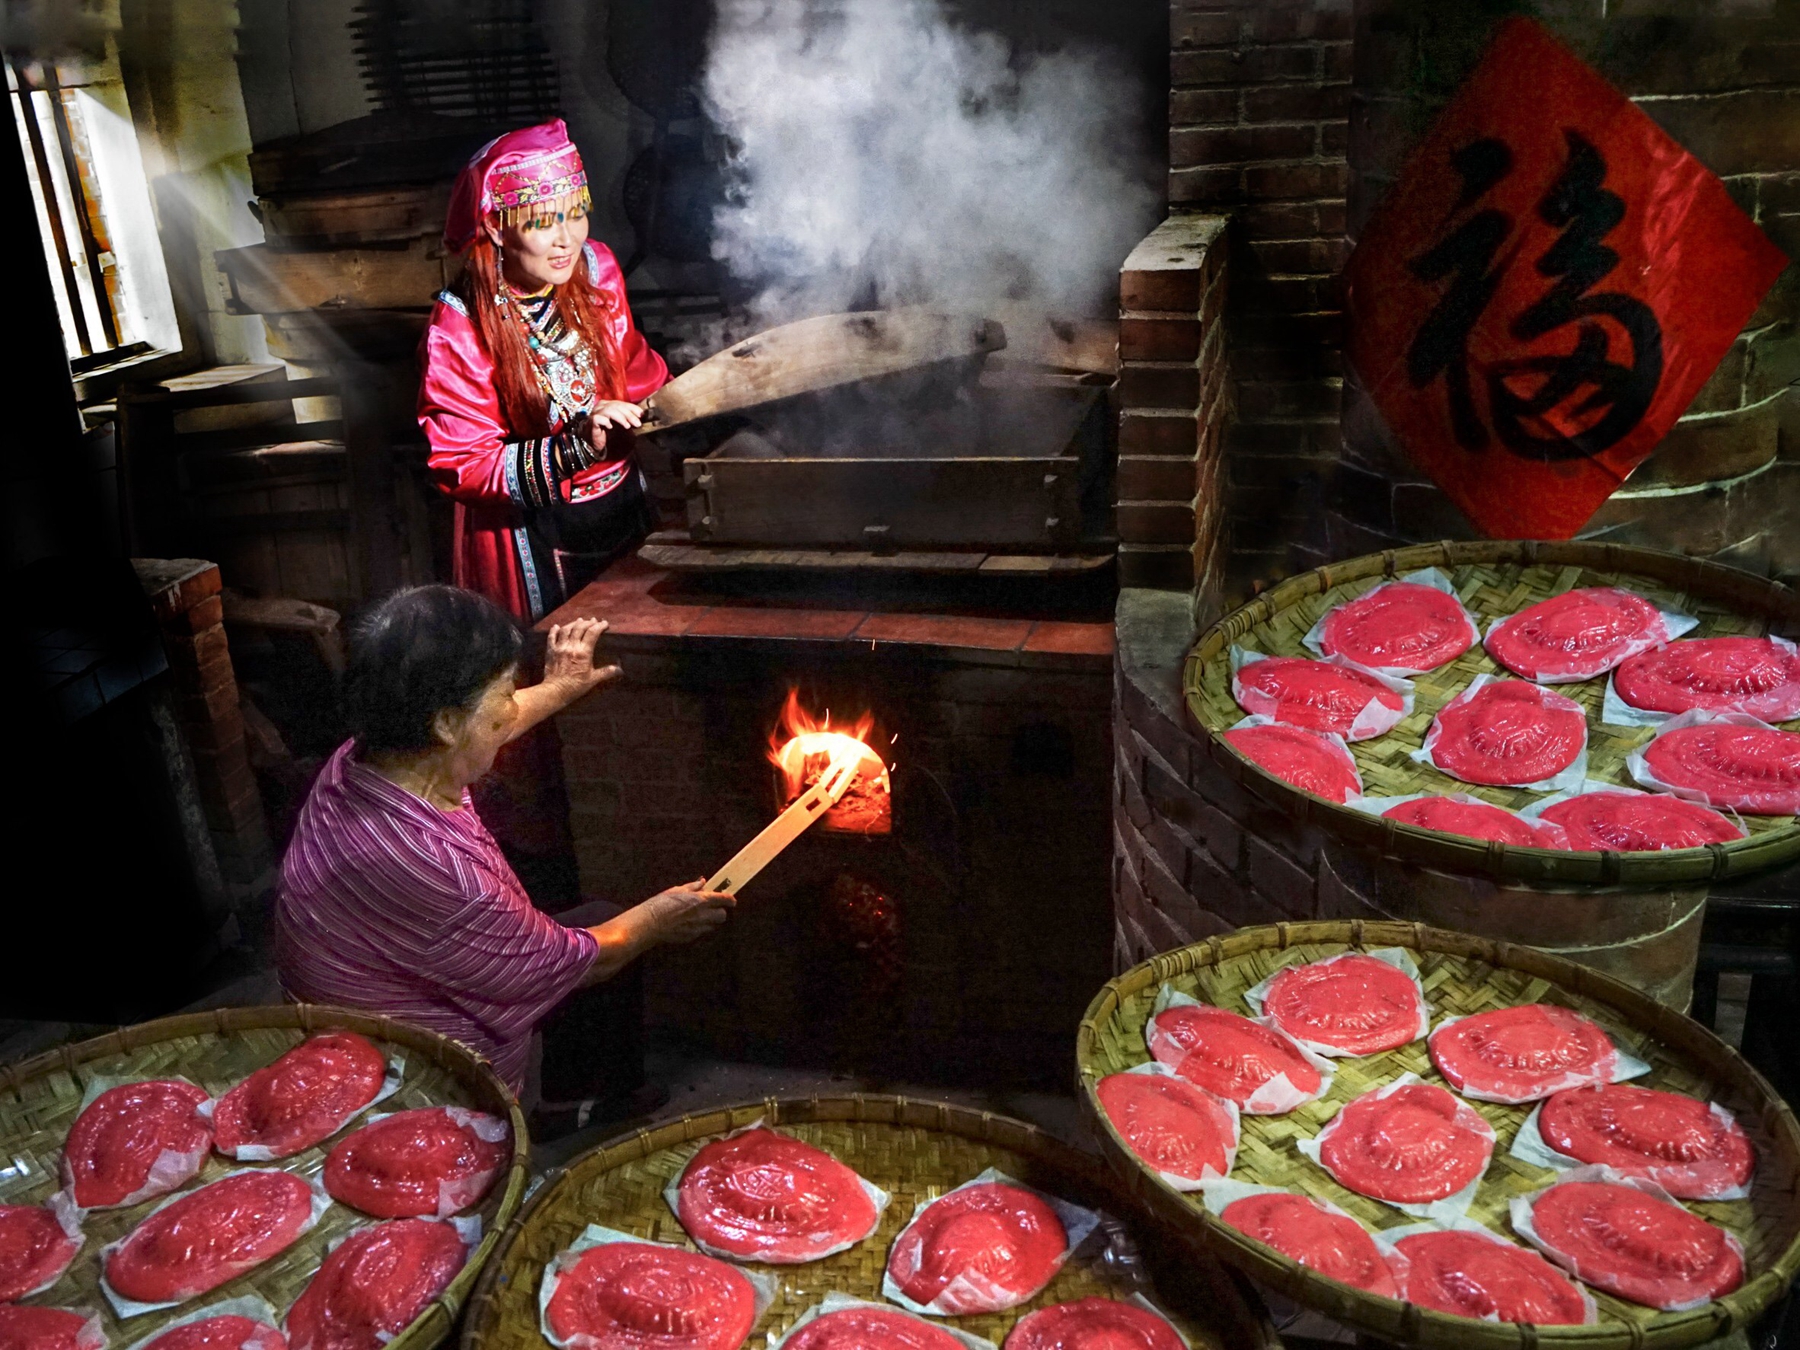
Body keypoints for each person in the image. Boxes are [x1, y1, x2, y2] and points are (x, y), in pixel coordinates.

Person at [415, 118, 671, 1108]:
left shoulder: (594, 276)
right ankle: (568, 884)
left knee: (629, 676)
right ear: (495, 232)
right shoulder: (459, 322)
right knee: (548, 713)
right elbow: (460, 463)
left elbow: (638, 374)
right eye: (539, 223)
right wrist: (568, 444)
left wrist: (665, 409)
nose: (561, 239)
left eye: (571, 214)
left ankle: (640, 828)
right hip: (532, 545)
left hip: (618, 518)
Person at [274, 585, 733, 1130]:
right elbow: (570, 960)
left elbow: (489, 724)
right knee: (609, 939)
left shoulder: (372, 755)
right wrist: (660, 919)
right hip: (407, 1075)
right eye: (505, 694)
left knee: (598, 920)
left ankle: (570, 1097)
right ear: (446, 723)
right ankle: (532, 1118)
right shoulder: (432, 866)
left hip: (391, 984)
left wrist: (560, 687)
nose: (513, 708)